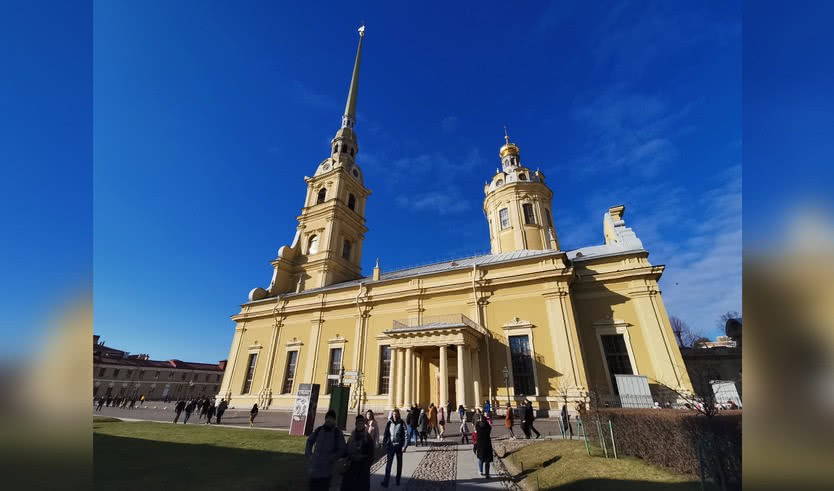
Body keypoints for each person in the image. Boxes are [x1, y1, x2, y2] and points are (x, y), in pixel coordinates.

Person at [305, 409, 346, 491]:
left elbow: (342, 450)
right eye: (327, 418)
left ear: (334, 420)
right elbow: (309, 441)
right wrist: (309, 454)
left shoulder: (337, 433)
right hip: (314, 469)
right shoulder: (319, 430)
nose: (328, 420)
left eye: (331, 418)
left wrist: (331, 458)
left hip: (327, 471)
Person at [341, 414, 375, 491]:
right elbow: (347, 450)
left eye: (361, 423)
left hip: (362, 469)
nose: (360, 425)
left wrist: (366, 467)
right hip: (351, 467)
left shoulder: (368, 438)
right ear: (356, 424)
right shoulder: (352, 436)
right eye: (358, 423)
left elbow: (371, 455)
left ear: (363, 425)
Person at [381, 407, 407, 488]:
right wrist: (384, 443)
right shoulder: (389, 423)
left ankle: (398, 480)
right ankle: (386, 481)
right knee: (388, 464)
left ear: (399, 414)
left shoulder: (402, 423)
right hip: (391, 446)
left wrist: (404, 446)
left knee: (399, 464)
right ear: (392, 415)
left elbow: (406, 435)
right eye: (393, 414)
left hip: (399, 446)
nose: (395, 416)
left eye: (396, 414)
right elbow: (386, 434)